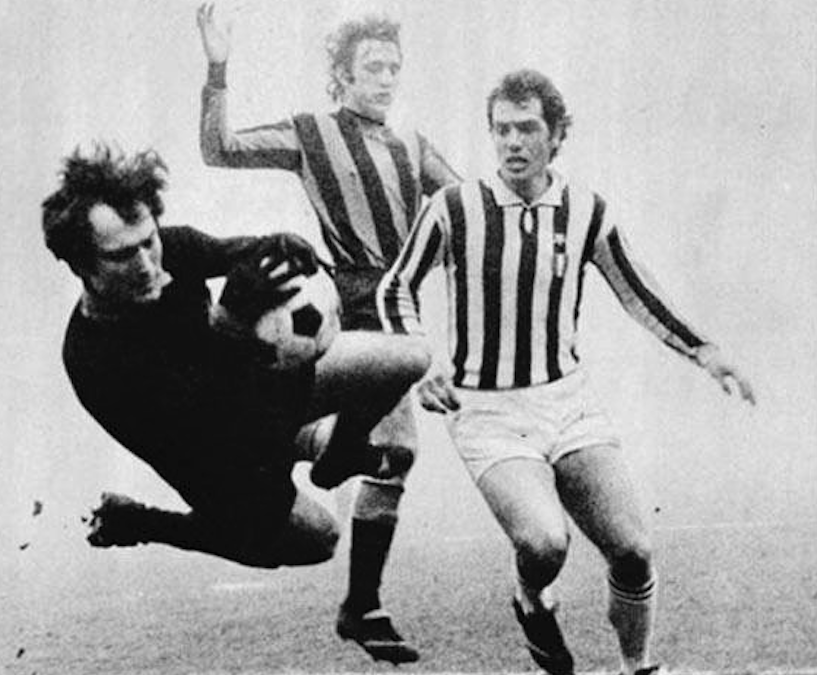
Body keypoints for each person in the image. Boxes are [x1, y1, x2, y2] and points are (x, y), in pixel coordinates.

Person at [377, 69, 756, 675]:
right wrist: (419, 361)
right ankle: (531, 600)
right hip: (487, 411)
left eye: (527, 128)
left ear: (556, 135)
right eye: (502, 129)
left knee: (633, 548)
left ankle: (638, 666)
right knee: (544, 543)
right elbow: (396, 287)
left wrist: (705, 351)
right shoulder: (455, 208)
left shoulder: (585, 210)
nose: (512, 142)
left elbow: (638, 293)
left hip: (567, 401)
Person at [196, 2, 460, 662]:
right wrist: (218, 67)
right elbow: (219, 149)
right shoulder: (311, 132)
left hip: (396, 303)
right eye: (373, 67)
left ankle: (358, 598)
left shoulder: (413, 144)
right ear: (341, 74)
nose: (387, 78)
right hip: (342, 301)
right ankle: (355, 586)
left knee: (393, 455)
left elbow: (468, 214)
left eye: (394, 67)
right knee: (377, 446)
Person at [42, 143, 429, 574]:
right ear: (81, 264)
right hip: (218, 458)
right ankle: (141, 522)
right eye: (121, 256)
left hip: (258, 393)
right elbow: (215, 418)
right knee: (319, 540)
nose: (147, 265)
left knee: (410, 358)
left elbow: (231, 252)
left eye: (148, 241)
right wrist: (229, 323)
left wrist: (276, 248)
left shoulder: (174, 248)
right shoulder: (94, 360)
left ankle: (336, 451)